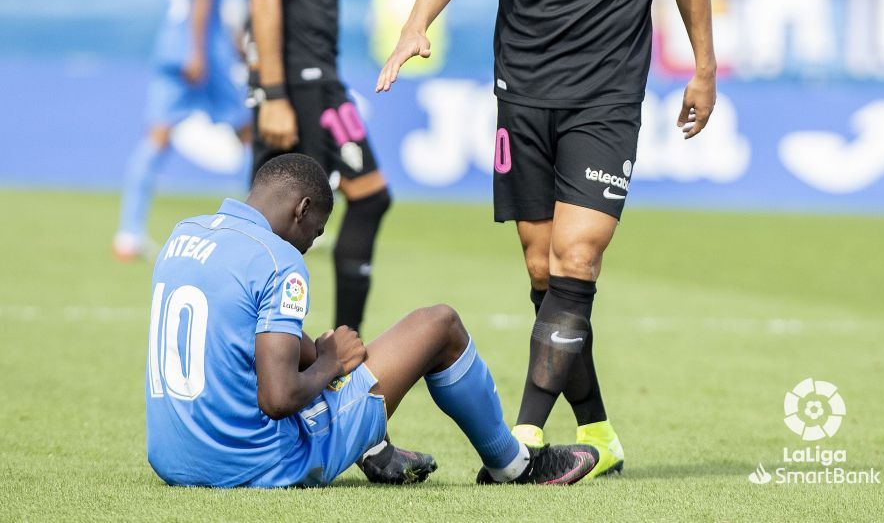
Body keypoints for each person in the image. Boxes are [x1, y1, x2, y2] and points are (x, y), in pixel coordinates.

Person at [377, 0, 717, 477]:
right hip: (526, 85)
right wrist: (416, 24)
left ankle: (526, 436)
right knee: (545, 269)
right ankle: (598, 431)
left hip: (608, 91)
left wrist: (704, 64)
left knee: (578, 254)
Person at [146, 153, 600, 488]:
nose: (309, 244)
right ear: (302, 208)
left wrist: (320, 355)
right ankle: (514, 465)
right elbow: (278, 398)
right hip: (255, 465)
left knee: (328, 365)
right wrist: (332, 363)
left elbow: (241, 328)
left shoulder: (183, 235)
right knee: (440, 324)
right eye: (316, 231)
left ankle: (374, 444)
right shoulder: (278, 258)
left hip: (172, 459)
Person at [247, 0, 390, 333]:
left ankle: (342, 348)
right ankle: (265, 350)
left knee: (370, 197)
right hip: (296, 84)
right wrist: (273, 93)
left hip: (321, 81)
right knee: (276, 222)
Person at [114, 0, 251, 260]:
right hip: (202, 48)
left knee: (157, 135)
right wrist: (199, 50)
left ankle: (128, 233)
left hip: (172, 40)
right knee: (249, 132)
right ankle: (254, 231)